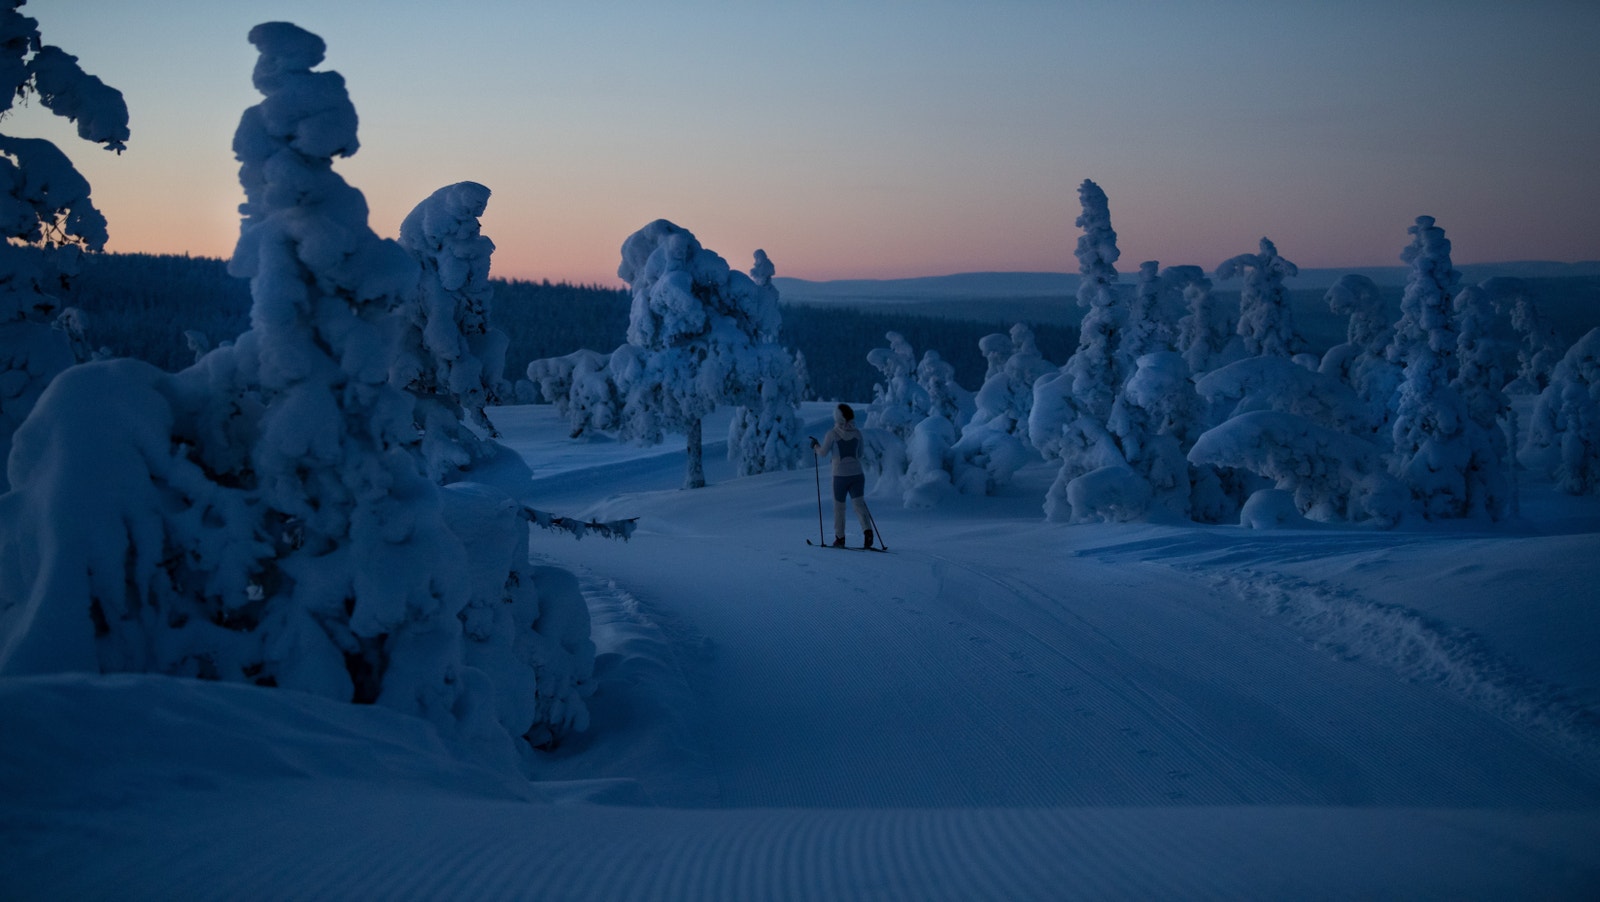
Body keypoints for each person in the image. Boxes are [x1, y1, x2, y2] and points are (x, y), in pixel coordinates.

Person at [810, 403, 876, 548]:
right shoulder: (857, 433)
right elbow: (860, 454)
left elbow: (822, 453)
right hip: (857, 475)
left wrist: (815, 446)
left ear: (837, 417)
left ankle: (840, 539)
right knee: (859, 505)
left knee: (839, 508)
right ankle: (868, 534)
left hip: (840, 476)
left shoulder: (832, 434)